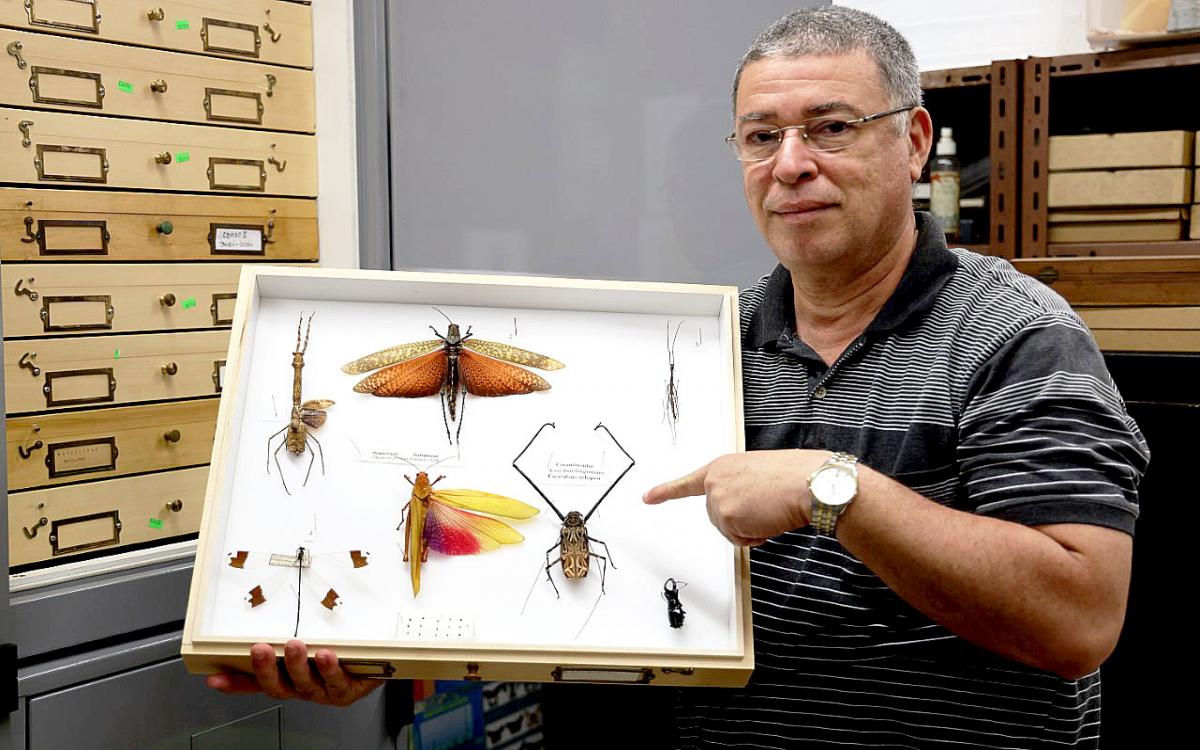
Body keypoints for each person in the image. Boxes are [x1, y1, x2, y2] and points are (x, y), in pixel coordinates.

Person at [209, 7, 1149, 747]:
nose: (791, 166)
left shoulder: (1016, 335)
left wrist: (838, 493)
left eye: (830, 127)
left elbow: (1079, 620)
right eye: (759, 136)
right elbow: (579, 573)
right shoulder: (706, 345)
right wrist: (390, 635)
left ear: (912, 143)